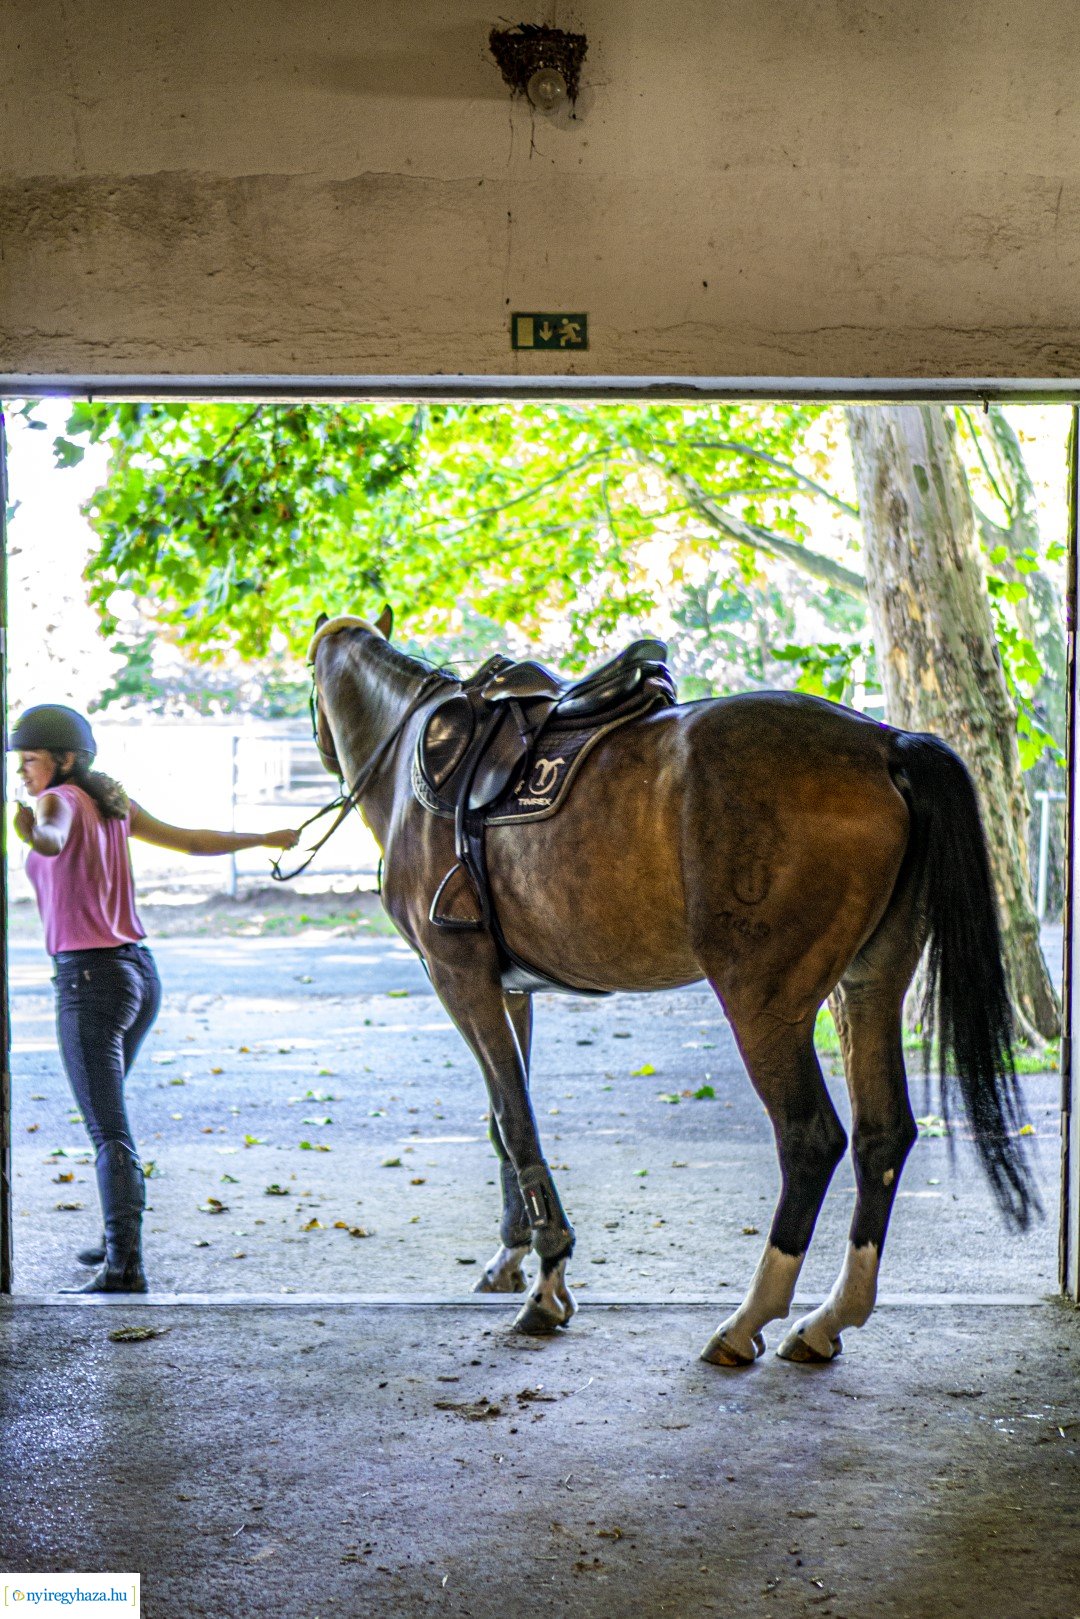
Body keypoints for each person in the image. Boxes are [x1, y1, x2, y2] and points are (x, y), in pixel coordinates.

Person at [9, 704, 301, 1294]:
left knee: (107, 1130)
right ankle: (115, 1242)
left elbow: (51, 834)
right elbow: (192, 842)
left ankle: (125, 1266)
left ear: (65, 761)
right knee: (108, 1117)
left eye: (31, 760)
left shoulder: (57, 801)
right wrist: (267, 837)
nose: (22, 772)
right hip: (139, 976)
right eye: (18, 763)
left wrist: (32, 835)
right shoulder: (114, 805)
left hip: (88, 982)